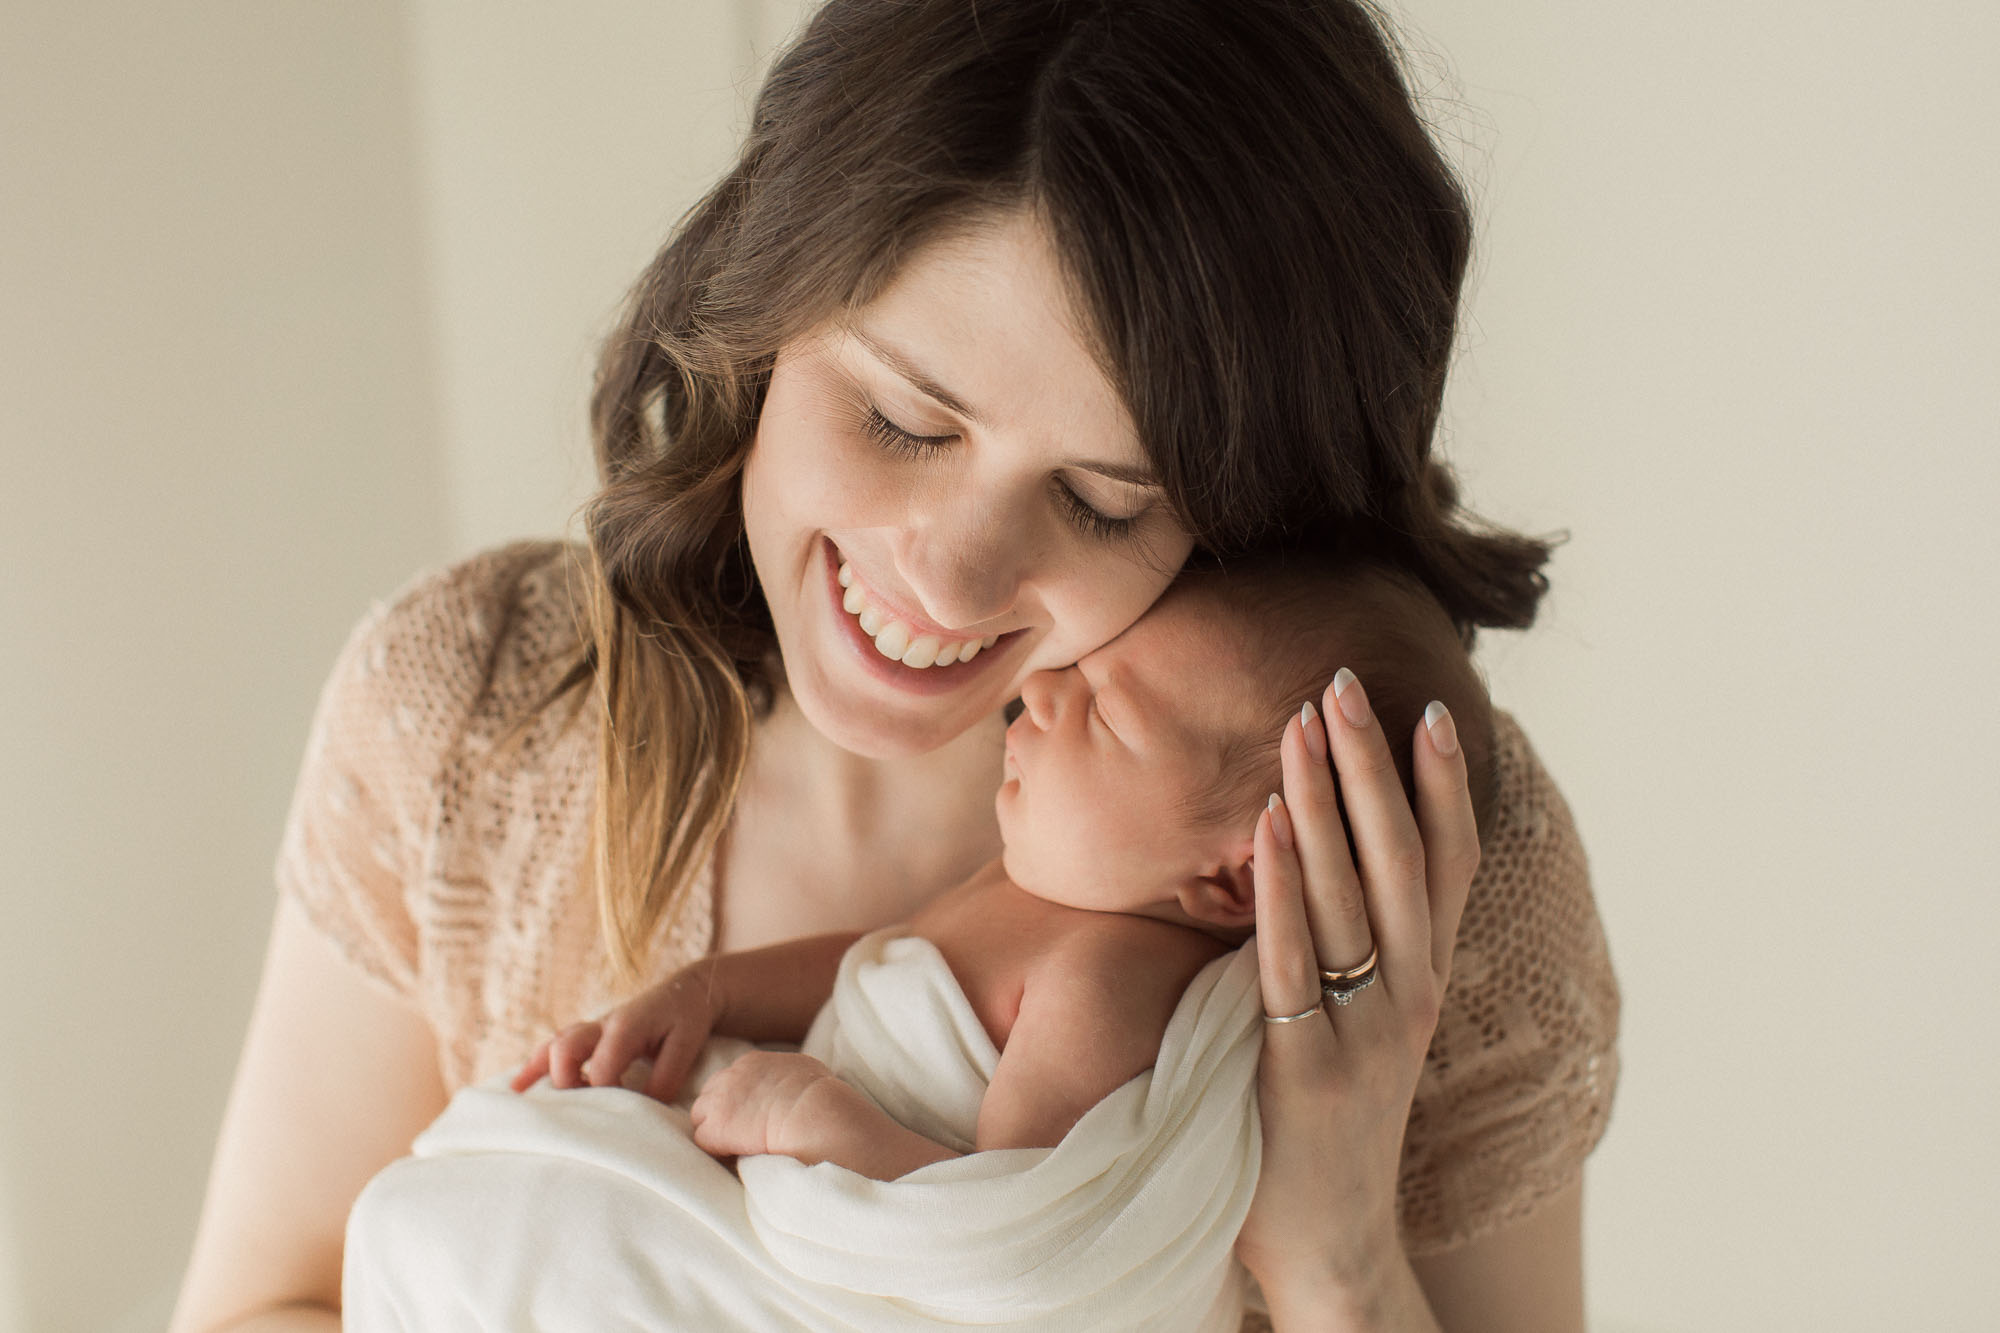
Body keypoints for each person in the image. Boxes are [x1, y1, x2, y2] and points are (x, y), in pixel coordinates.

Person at [169, 3, 1619, 1331]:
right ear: (760, 305)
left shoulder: (1391, 880)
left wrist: (1334, 1257)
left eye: (1101, 501)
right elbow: (269, 1305)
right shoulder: (471, 712)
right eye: (903, 422)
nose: (952, 578)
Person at [340, 558, 1498, 1331]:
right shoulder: (1041, 892)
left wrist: (823, 1124)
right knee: (447, 1221)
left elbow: (1000, 1244)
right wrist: (709, 991)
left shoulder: (1103, 981)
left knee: (492, 1241)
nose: (1042, 694)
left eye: (1104, 710)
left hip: (842, 1287)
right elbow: (876, 963)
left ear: (1232, 876)